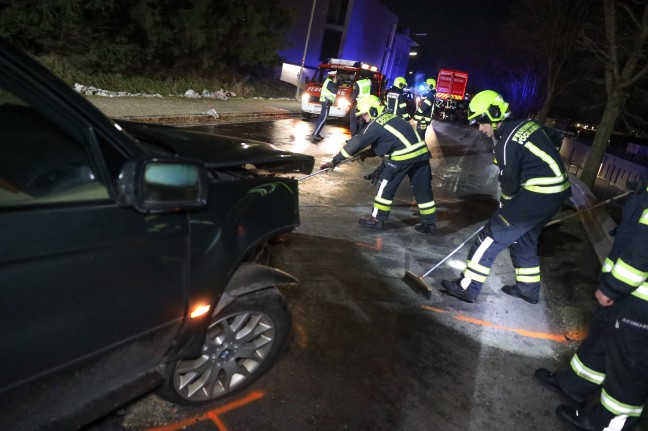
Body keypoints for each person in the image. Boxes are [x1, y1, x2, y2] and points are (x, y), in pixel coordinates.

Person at [534, 181, 648, 431]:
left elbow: (642, 253)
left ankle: (608, 424)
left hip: (639, 303)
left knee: (628, 367)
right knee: (601, 339)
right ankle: (574, 386)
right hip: (628, 295)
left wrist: (612, 288)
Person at [440, 90, 571, 303]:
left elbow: (509, 184)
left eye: (481, 122)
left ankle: (467, 287)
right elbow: (556, 137)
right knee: (524, 240)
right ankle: (528, 290)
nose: (480, 128)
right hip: (557, 192)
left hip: (539, 194)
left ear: (493, 115)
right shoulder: (528, 124)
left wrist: (507, 207)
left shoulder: (506, 143)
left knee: (490, 236)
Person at [319, 95, 437, 233]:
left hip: (404, 157)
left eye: (364, 114)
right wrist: (367, 154)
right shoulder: (391, 117)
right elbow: (388, 142)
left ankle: (377, 219)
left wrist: (334, 161)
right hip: (421, 155)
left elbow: (356, 143)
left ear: (373, 110)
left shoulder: (376, 123)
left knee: (385, 184)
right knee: (422, 188)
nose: (363, 118)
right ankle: (430, 223)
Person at [312, 70, 339, 142]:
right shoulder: (329, 82)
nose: (336, 78)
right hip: (326, 102)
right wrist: (335, 83)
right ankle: (316, 134)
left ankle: (316, 133)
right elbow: (334, 91)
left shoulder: (328, 81)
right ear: (333, 76)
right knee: (323, 119)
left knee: (321, 118)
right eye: (335, 77)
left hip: (326, 101)